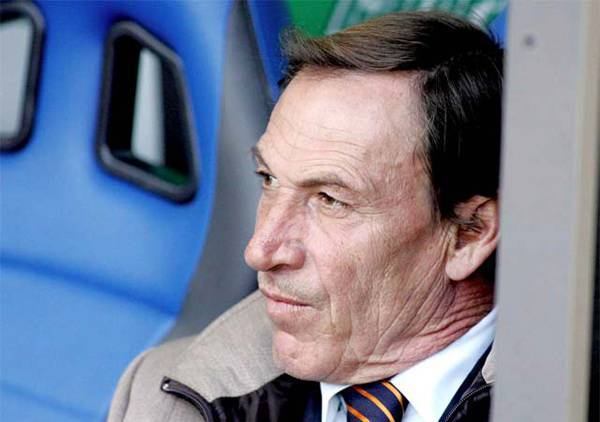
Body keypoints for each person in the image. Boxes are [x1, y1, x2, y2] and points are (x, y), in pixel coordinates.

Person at [108, 11, 502, 422]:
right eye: (268, 179)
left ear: (469, 234)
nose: (260, 251)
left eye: (329, 200)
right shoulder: (160, 394)